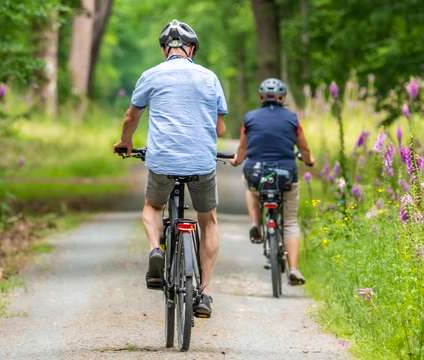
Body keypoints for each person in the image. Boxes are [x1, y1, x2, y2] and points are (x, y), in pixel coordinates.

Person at [113, 20, 227, 317]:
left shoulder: (150, 75)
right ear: (191, 49)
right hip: (202, 161)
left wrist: (126, 143)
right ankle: (204, 293)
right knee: (209, 220)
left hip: (162, 160)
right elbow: (221, 127)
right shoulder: (209, 78)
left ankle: (155, 249)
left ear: (165, 49)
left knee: (152, 206)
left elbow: (130, 117)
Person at [230, 78, 314, 285]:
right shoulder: (293, 119)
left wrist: (237, 160)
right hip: (285, 175)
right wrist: (310, 160)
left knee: (250, 188)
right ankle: (294, 269)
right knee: (291, 222)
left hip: (257, 173)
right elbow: (303, 148)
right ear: (282, 98)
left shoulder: (250, 118)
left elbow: (242, 149)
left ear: (261, 97)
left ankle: (256, 224)